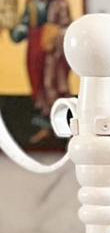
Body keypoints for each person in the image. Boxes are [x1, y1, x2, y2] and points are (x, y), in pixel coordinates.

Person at [10, 0, 73, 145]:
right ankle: (45, 126)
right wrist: (19, 30)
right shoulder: (32, 4)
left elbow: (67, 26)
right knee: (38, 85)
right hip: (36, 48)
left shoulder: (60, 4)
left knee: (53, 84)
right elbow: (24, 26)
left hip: (53, 53)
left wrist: (54, 33)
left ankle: (62, 127)